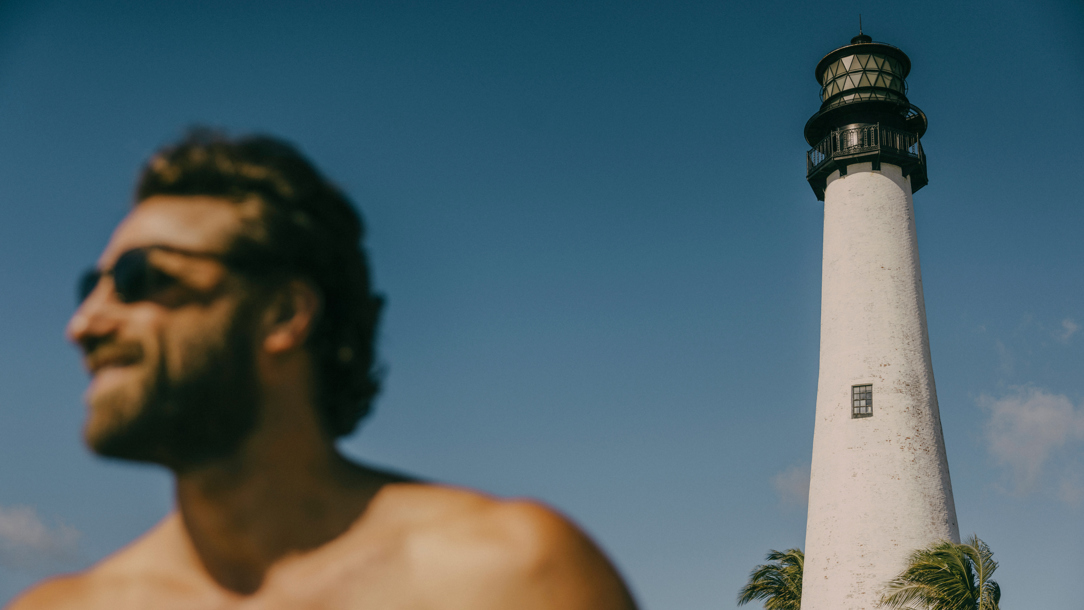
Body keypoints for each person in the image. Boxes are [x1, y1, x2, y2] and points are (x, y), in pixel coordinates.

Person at [9, 132, 637, 609]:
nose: (85, 324)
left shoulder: (508, 577)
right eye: (89, 286)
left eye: (142, 279)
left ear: (284, 313)